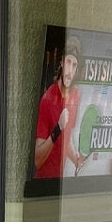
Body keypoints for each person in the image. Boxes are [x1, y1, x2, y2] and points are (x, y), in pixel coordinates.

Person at [34, 36, 83, 179]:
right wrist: (58, 128)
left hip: (60, 183)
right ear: (61, 62)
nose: (70, 70)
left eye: (74, 65)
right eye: (68, 62)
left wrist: (76, 159)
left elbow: (66, 140)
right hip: (44, 183)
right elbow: (37, 160)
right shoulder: (47, 99)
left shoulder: (76, 95)